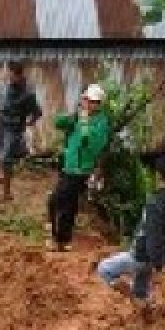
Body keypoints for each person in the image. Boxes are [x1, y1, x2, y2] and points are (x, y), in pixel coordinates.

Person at [97, 155, 165, 314]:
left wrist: (156, 261)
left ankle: (135, 299)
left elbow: (153, 232)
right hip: (156, 254)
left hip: (143, 253)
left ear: (158, 175)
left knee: (104, 270)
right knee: (141, 287)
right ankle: (143, 306)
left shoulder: (156, 202)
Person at [48, 84, 111, 251]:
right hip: (69, 166)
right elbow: (58, 123)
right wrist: (73, 116)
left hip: (81, 170)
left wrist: (83, 120)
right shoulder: (79, 116)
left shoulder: (101, 122)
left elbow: (90, 143)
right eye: (87, 99)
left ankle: (59, 239)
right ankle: (63, 240)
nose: (89, 104)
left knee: (57, 201)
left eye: (93, 101)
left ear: (99, 104)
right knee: (67, 204)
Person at [0, 61, 42, 202]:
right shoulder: (10, 86)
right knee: (0, 150)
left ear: (16, 75)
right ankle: (3, 176)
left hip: (13, 130)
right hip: (3, 125)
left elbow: (38, 112)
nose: (6, 75)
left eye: (8, 73)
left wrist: (28, 123)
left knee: (6, 159)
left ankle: (6, 194)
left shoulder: (28, 94)